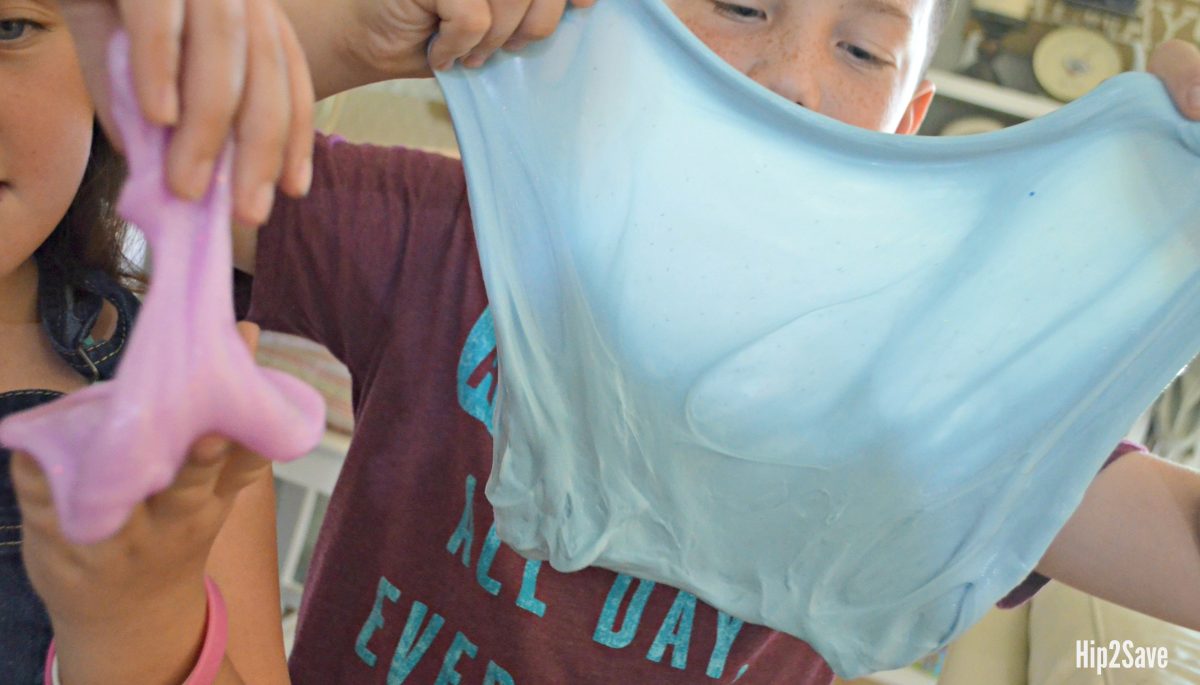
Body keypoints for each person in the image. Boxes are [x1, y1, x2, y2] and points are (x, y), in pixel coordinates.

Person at [14, 1, 1200, 683]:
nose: (790, 81)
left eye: (861, 50)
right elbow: (144, 166)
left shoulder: (932, 397)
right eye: (739, 2)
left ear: (911, 117)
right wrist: (356, 32)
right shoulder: (454, 237)